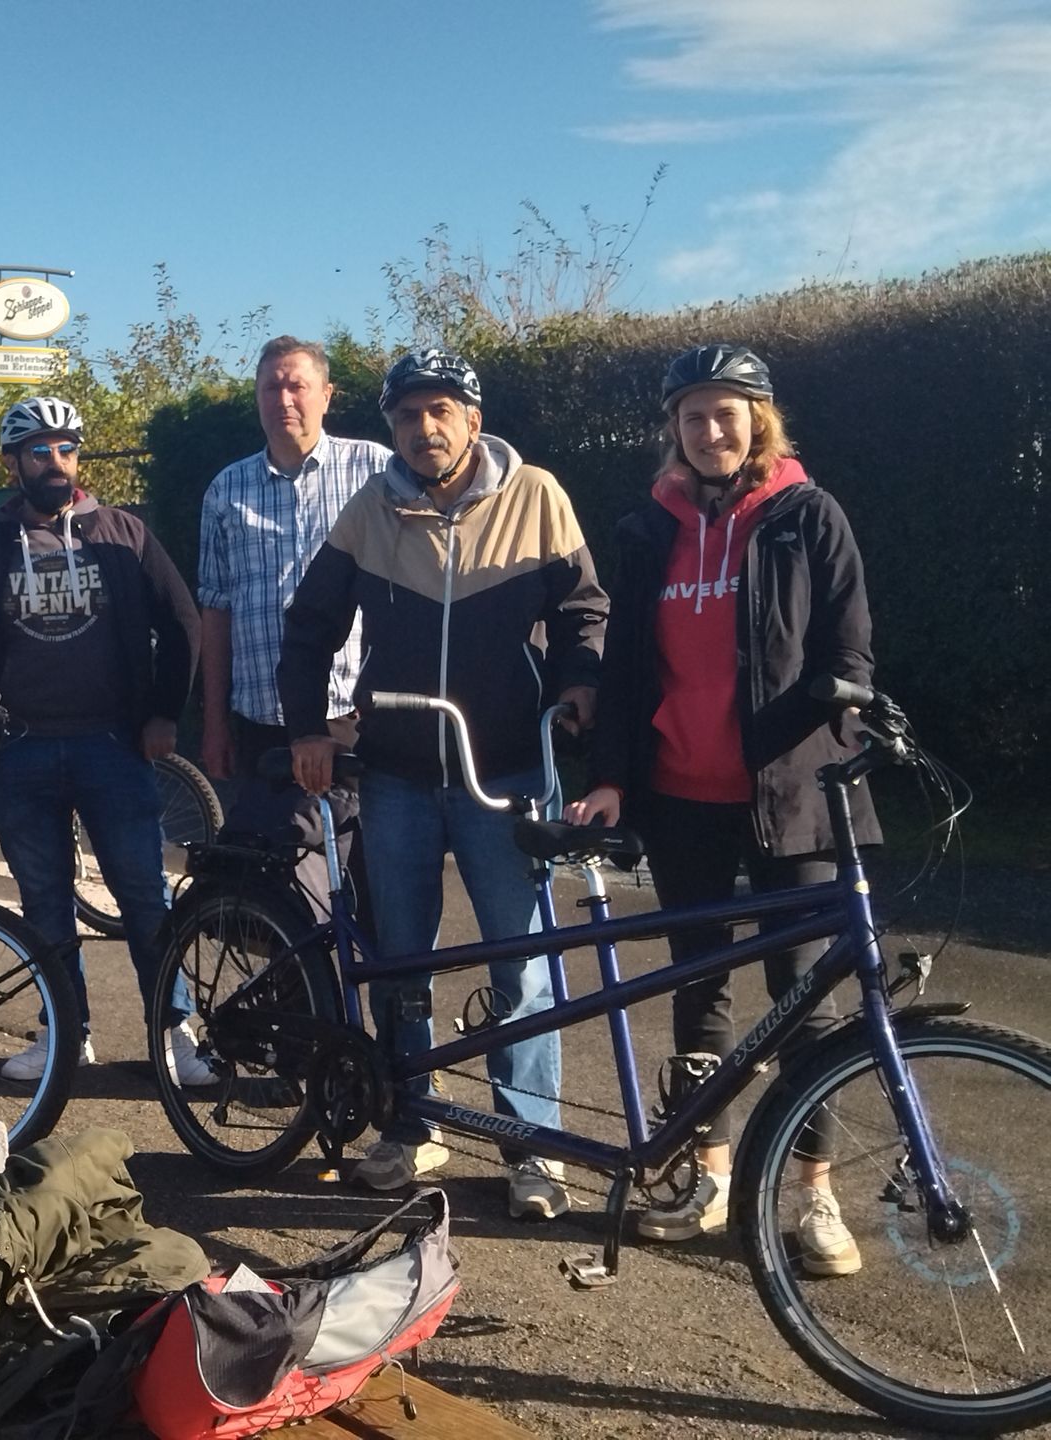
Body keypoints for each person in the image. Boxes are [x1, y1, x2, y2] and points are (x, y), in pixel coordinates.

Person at [567, 343, 875, 1274]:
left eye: (726, 412)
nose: (710, 430)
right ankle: (709, 1174)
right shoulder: (647, 529)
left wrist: (835, 706)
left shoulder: (806, 515)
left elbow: (850, 648)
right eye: (693, 415)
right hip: (681, 794)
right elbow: (624, 670)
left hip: (793, 793)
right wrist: (613, 775)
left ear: (759, 418)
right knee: (698, 986)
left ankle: (814, 1194)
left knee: (807, 998)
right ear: (675, 429)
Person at [279, 349, 608, 1219]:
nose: (424, 430)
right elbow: (309, 624)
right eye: (406, 416)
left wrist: (579, 683)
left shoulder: (535, 495)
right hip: (394, 772)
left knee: (521, 961)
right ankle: (411, 1122)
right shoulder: (371, 508)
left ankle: (530, 1146)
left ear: (470, 415)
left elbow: (584, 609)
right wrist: (308, 728)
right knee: (403, 961)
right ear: (390, 426)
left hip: (503, 772)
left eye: (440, 412)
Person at [0, 396, 209, 1084]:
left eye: (66, 450)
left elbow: (183, 624)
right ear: (13, 463)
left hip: (112, 745)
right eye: (38, 452)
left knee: (145, 895)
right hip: (20, 749)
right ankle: (65, 1030)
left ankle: (171, 1034)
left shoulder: (121, 533)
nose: (55, 464)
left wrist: (164, 715)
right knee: (44, 903)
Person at [197, 336, 392, 916]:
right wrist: (214, 723)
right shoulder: (225, 490)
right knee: (273, 904)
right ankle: (293, 1007)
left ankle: (385, 1009)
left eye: (297, 384)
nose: (284, 397)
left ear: (326, 395)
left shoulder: (376, 470)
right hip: (261, 724)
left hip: (352, 718)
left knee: (372, 888)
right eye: (271, 387)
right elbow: (215, 608)